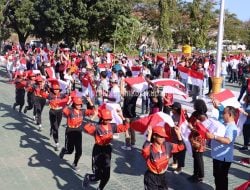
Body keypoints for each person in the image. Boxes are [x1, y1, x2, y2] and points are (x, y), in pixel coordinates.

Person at [82, 109, 129, 190]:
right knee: (98, 176)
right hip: (98, 150)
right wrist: (94, 116)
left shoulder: (113, 126)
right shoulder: (97, 127)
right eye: (106, 119)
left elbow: (125, 127)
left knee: (107, 175)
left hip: (107, 150)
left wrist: (121, 116)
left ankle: (100, 188)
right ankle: (88, 177)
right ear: (102, 118)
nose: (107, 121)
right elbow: (86, 128)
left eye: (109, 119)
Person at [59, 96, 95, 171]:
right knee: (70, 150)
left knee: (79, 151)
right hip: (70, 131)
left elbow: (93, 112)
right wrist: (69, 101)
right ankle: (64, 151)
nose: (79, 106)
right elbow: (64, 109)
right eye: (77, 104)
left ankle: (75, 164)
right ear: (74, 104)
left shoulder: (83, 111)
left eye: (80, 104)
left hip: (78, 131)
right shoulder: (70, 111)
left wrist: (90, 101)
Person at [206, 106, 238, 190]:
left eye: (224, 113)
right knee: (218, 177)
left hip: (223, 158)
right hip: (218, 156)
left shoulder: (231, 127)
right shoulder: (225, 124)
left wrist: (214, 136)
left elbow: (228, 140)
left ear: (230, 114)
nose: (222, 115)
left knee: (221, 179)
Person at [142, 126, 183, 190]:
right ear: (154, 136)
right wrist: (149, 135)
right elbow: (144, 150)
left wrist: (178, 134)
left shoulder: (167, 145)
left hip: (162, 177)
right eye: (160, 136)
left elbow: (181, 147)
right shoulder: (150, 148)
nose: (163, 138)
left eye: (164, 136)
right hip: (151, 178)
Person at [187, 99, 207, 183]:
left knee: (198, 157)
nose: (193, 105)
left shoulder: (203, 116)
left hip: (199, 139)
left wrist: (192, 128)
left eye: (195, 104)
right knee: (195, 157)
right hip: (193, 138)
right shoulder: (195, 113)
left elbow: (204, 130)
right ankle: (195, 174)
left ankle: (200, 175)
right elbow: (190, 121)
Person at [170, 102, 186, 174]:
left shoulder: (182, 116)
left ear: (176, 109)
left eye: (172, 109)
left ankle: (180, 167)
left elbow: (183, 126)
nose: (171, 110)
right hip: (174, 136)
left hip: (180, 137)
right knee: (174, 150)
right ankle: (175, 162)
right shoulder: (173, 115)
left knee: (181, 152)